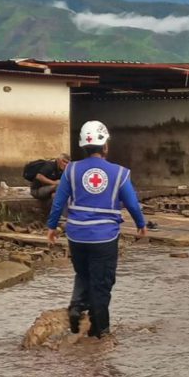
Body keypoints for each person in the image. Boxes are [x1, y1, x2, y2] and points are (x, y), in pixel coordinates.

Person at [47, 121, 148, 338]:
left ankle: (76, 310)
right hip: (104, 238)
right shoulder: (119, 173)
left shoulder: (71, 170)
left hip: (76, 235)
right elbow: (131, 203)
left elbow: (58, 202)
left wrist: (52, 227)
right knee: (102, 284)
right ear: (105, 147)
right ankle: (100, 335)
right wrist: (141, 224)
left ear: (83, 146)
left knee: (83, 274)